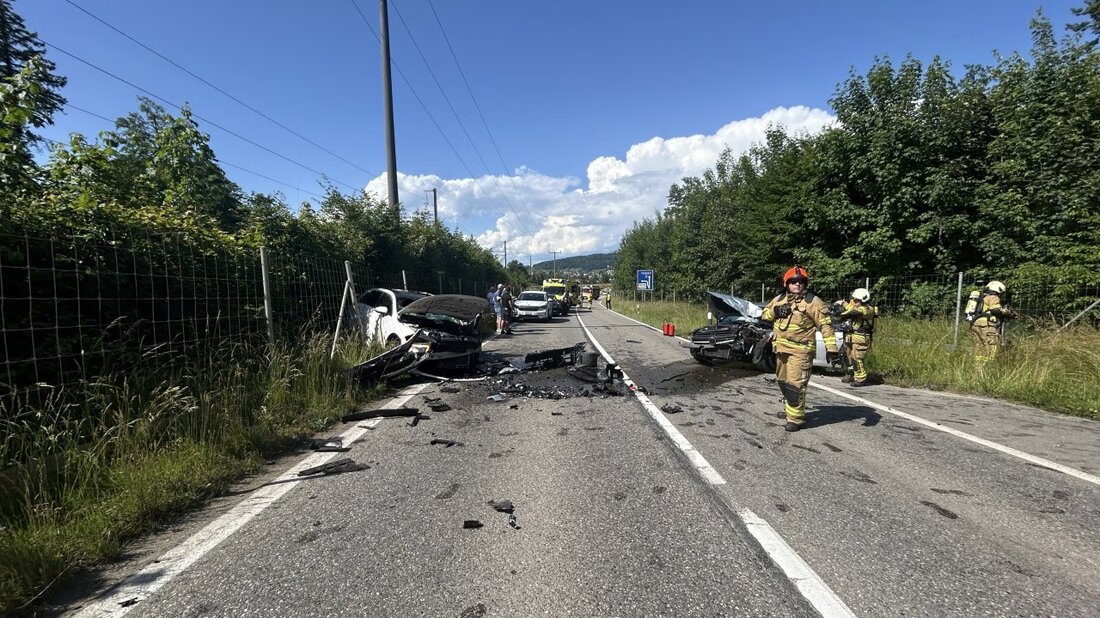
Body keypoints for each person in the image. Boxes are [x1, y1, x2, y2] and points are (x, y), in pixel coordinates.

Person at [761, 266, 839, 432]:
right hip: (781, 349)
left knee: (796, 385)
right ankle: (790, 410)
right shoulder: (779, 299)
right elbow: (764, 315)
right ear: (786, 283)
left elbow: (826, 326)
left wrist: (831, 349)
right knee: (783, 382)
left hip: (801, 351)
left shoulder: (813, 302)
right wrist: (775, 311)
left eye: (800, 281)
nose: (797, 284)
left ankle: (795, 419)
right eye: (793, 281)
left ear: (805, 283)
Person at [966, 280, 1016, 364]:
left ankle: (978, 367)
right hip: (987, 325)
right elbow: (995, 310)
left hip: (975, 324)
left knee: (980, 346)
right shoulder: (993, 297)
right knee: (991, 346)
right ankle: (989, 365)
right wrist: (1006, 312)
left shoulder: (982, 298)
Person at [835, 288, 877, 386]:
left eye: (855, 300)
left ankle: (860, 378)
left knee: (857, 357)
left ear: (862, 300)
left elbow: (854, 312)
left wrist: (843, 304)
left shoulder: (868, 309)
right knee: (849, 357)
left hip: (860, 338)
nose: (853, 301)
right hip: (850, 336)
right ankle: (852, 375)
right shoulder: (855, 307)